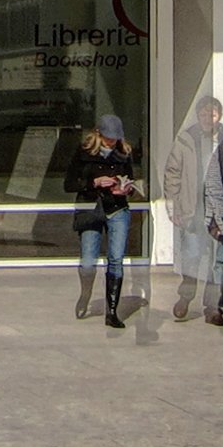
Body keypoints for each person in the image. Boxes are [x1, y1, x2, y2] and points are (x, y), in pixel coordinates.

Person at [162, 95, 223, 327]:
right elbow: (172, 173)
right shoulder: (186, 139)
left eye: (213, 114)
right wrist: (173, 206)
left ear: (220, 116)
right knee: (192, 257)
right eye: (204, 114)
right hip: (194, 209)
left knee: (218, 262)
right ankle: (186, 296)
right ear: (198, 116)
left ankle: (213, 308)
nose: (208, 118)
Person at [64, 112, 145, 330]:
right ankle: (86, 293)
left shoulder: (123, 153)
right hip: (91, 209)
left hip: (117, 208)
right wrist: (94, 182)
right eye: (108, 138)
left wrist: (125, 189)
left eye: (115, 139)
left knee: (116, 258)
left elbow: (129, 179)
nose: (111, 142)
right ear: (98, 134)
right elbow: (69, 183)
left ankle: (112, 311)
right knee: (88, 260)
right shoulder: (84, 152)